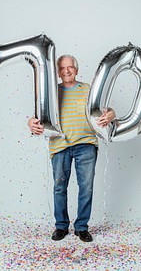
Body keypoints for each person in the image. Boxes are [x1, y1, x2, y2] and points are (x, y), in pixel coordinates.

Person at [28, 55, 115, 242]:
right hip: (59, 146)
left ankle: (81, 227)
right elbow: (36, 116)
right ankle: (61, 227)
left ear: (77, 70)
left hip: (86, 144)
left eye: (70, 67)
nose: (66, 71)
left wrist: (110, 116)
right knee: (60, 187)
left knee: (86, 187)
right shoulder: (50, 92)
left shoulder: (88, 90)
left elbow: (109, 110)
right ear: (57, 72)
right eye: (62, 68)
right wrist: (30, 122)